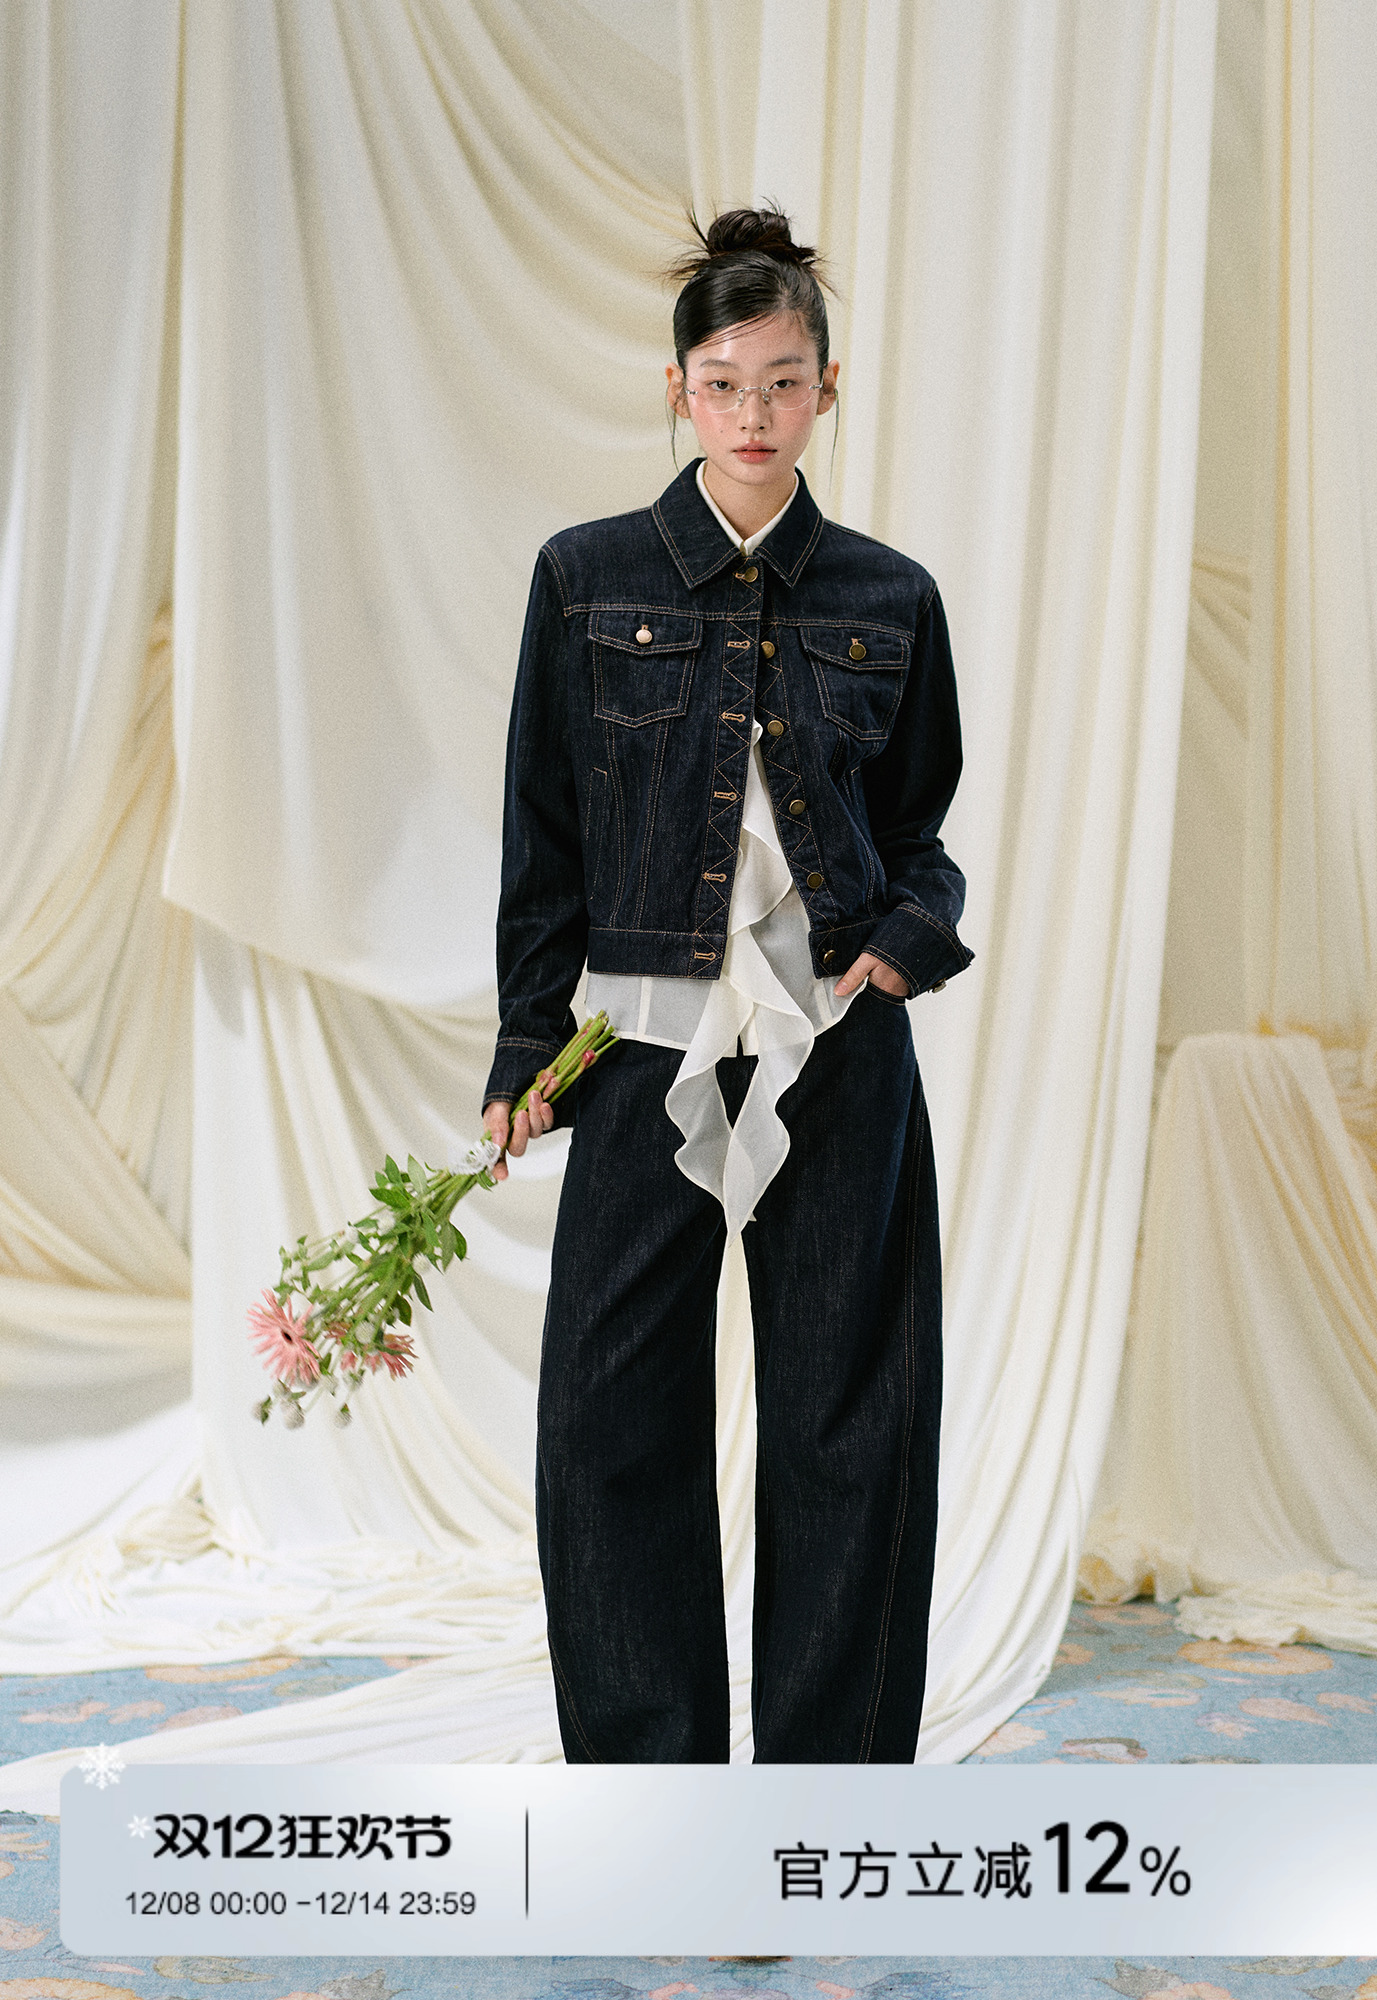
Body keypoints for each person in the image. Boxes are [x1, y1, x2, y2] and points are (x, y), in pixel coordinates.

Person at [479, 204, 973, 1764]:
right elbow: (544, 837)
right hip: (641, 1043)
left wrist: (906, 938)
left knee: (851, 1417)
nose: (754, 415)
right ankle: (653, 1794)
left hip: (838, 1042)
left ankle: (830, 1795)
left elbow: (922, 835)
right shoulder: (584, 578)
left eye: (783, 383)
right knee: (608, 1417)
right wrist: (523, 1048)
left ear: (827, 390)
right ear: (677, 389)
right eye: (723, 383)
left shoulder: (890, 597)